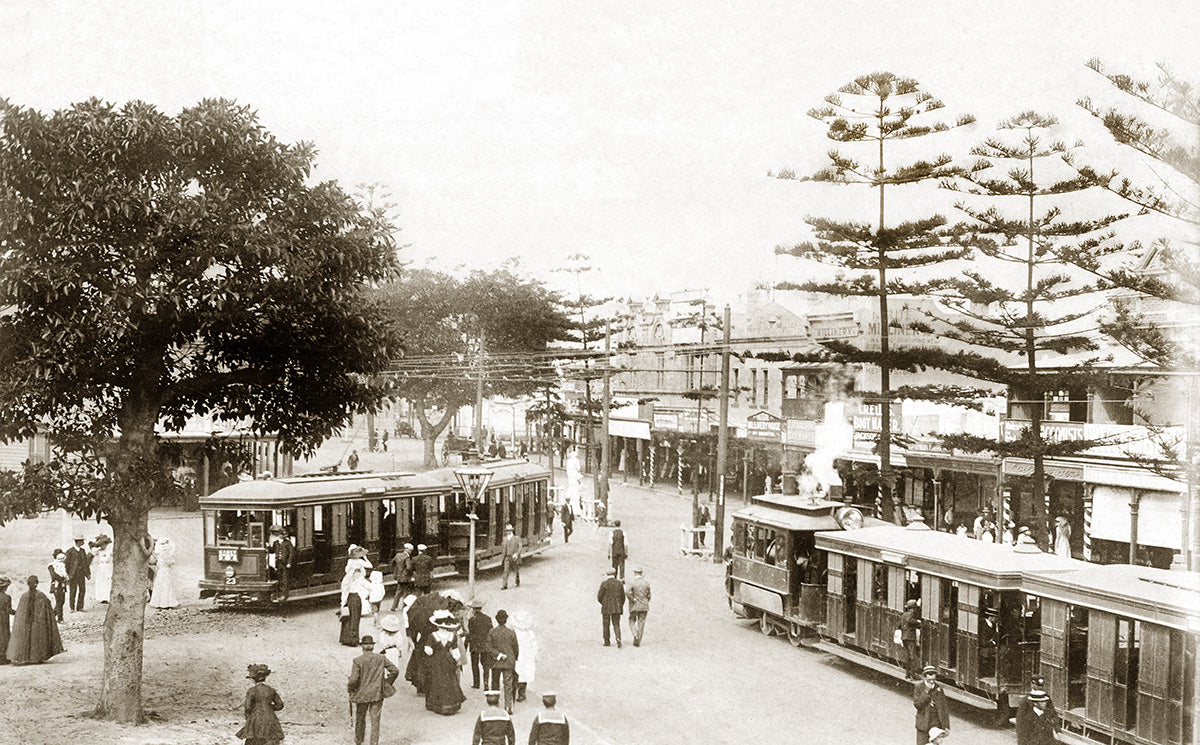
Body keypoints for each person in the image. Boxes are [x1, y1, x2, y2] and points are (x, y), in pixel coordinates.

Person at [347, 635, 399, 745]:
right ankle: (374, 743)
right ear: (372, 646)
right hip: (377, 693)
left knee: (360, 718)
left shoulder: (357, 661)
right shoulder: (381, 658)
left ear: (362, 647)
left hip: (362, 694)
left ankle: (359, 740)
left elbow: (353, 680)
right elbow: (395, 670)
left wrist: (350, 689)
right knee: (375, 720)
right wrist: (386, 683)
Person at [5, 576, 64, 665]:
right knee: (38, 638)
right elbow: (48, 610)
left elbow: (20, 613)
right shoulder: (41, 595)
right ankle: (38, 657)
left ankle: (24, 657)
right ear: (37, 584)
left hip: (25, 623)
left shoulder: (24, 596)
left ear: (28, 584)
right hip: (38, 623)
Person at [424, 609, 467, 715]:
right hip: (448, 660)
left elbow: (428, 651)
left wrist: (431, 651)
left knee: (437, 680)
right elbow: (455, 651)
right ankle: (450, 704)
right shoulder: (452, 636)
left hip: (436, 660)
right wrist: (456, 659)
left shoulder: (433, 635)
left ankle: (437, 704)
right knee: (449, 680)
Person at [236, 663, 284, 745]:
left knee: (253, 740)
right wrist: (269, 707)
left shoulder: (252, 690)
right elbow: (280, 705)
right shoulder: (271, 690)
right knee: (271, 739)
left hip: (256, 717)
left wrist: (248, 718)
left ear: (253, 679)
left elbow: (247, 707)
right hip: (270, 718)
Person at [487, 609, 519, 714]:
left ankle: (494, 706)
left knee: (495, 684)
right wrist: (514, 658)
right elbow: (516, 648)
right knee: (508, 685)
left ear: (497, 620)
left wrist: (498, 655)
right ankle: (508, 707)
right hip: (509, 662)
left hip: (496, 662)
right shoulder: (511, 632)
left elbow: (488, 647)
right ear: (506, 620)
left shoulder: (492, 632)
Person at [914, 665, 950, 745]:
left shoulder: (939, 688)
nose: (932, 682)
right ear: (924, 677)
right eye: (929, 679)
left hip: (935, 724)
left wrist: (946, 725)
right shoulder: (919, 687)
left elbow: (944, 708)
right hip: (923, 725)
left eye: (933, 679)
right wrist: (926, 691)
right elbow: (917, 704)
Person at [1016, 679, 1059, 745]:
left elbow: (1050, 737)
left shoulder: (1047, 716)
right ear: (1035, 703)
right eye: (1041, 702)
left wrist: (1057, 730)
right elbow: (1021, 730)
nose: (1045, 703)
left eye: (1045, 701)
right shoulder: (1028, 718)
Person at [467, 597, 494, 690]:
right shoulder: (488, 619)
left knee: (474, 665)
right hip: (485, 645)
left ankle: (476, 683)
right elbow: (491, 632)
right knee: (485, 665)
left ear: (474, 609)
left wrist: (467, 645)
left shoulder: (471, 620)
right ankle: (486, 683)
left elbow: (470, 633)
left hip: (474, 645)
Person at [510, 611, 537, 702]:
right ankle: (522, 693)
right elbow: (534, 646)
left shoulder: (513, 633)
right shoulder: (529, 633)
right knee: (524, 673)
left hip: (518, 656)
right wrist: (533, 655)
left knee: (517, 672)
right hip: (526, 656)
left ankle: (515, 692)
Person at [340, 568, 370, 647]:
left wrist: (343, 603)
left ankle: (346, 639)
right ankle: (353, 640)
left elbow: (344, 592)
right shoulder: (361, 580)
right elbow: (370, 588)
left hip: (349, 599)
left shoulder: (347, 581)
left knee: (348, 618)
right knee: (355, 619)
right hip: (356, 599)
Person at [597, 568, 625, 648]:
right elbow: (622, 596)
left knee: (606, 624)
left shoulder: (604, 583)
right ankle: (618, 638)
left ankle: (607, 641)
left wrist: (603, 603)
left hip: (606, 607)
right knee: (616, 623)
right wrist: (620, 605)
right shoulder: (619, 583)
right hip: (617, 607)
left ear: (607, 575)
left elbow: (599, 596)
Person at [149, 537, 180, 609]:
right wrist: (171, 564)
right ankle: (166, 603)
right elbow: (171, 563)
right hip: (166, 572)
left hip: (161, 572)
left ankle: (160, 603)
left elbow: (158, 564)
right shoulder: (166, 555)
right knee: (166, 586)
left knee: (161, 586)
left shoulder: (159, 555)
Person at [624, 566, 651, 647]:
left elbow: (628, 592)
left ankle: (635, 634)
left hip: (634, 605)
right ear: (641, 573)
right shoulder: (646, 583)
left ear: (635, 573)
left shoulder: (632, 582)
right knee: (641, 622)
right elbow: (649, 595)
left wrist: (632, 599)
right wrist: (646, 601)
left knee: (631, 620)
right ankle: (638, 639)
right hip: (644, 605)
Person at [64, 535, 91, 612]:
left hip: (81, 574)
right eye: (82, 541)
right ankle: (72, 607)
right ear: (78, 542)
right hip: (73, 575)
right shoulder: (69, 551)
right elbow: (67, 564)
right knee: (73, 591)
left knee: (82, 590)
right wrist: (67, 575)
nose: (83, 542)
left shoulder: (83, 551)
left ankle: (80, 607)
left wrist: (88, 574)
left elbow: (85, 563)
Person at [268, 526, 294, 601]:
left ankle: (284, 594)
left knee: (285, 578)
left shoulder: (288, 543)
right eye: (280, 534)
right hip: (278, 563)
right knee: (279, 578)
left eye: (282, 535)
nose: (281, 536)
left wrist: (289, 563)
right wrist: (268, 547)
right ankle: (279, 594)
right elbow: (272, 550)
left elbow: (291, 553)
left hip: (285, 563)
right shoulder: (275, 543)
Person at [899, 599, 922, 679]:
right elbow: (910, 620)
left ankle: (907, 674)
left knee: (908, 656)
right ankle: (913, 675)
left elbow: (899, 625)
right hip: (910, 638)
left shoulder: (904, 614)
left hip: (904, 637)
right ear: (913, 608)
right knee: (913, 657)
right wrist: (918, 622)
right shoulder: (911, 614)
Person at [389, 543, 414, 610]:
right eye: (410, 550)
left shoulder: (398, 555)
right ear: (407, 550)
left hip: (399, 576)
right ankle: (405, 607)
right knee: (406, 592)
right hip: (405, 577)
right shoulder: (407, 557)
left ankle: (394, 607)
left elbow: (392, 562)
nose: (411, 552)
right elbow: (408, 567)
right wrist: (408, 572)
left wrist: (397, 570)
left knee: (398, 591)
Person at [90, 534, 113, 604]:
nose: (102, 546)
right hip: (101, 568)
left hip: (108, 567)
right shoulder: (99, 551)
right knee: (101, 582)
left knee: (108, 583)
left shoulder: (109, 551)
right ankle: (102, 598)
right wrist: (96, 546)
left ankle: (108, 597)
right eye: (101, 545)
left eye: (103, 544)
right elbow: (92, 551)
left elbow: (110, 558)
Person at [47, 550, 68, 621]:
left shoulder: (62, 565)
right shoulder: (51, 566)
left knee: (61, 601)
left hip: (61, 585)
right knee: (59, 601)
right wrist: (62, 578)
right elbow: (53, 576)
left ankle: (51, 615)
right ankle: (60, 618)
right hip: (56, 585)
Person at [500, 525, 522, 590]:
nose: (508, 532)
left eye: (509, 530)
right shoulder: (505, 539)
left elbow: (520, 548)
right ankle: (504, 585)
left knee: (516, 570)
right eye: (507, 531)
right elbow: (503, 548)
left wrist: (517, 554)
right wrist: (503, 556)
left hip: (514, 557)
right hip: (507, 557)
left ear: (512, 531)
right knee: (506, 571)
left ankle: (517, 581)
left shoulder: (516, 538)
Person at [0, 576, 13, 664]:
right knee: (4, 636)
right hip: (3, 619)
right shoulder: (7, 597)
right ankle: (3, 657)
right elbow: (9, 610)